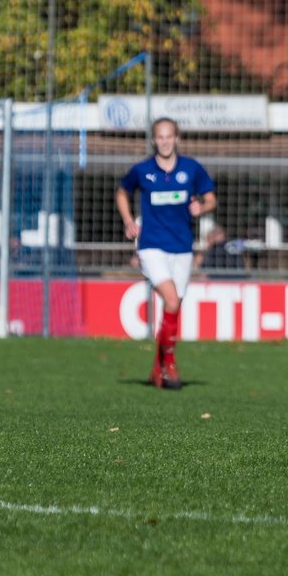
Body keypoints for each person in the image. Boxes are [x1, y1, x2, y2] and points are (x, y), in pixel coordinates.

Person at [116, 117, 217, 390]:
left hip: (182, 247)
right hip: (151, 246)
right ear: (153, 140)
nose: (164, 141)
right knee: (171, 300)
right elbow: (122, 193)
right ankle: (170, 363)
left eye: (169, 136)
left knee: (174, 306)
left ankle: (156, 369)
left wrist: (202, 208)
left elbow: (211, 199)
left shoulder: (191, 169)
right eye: (159, 137)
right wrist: (128, 221)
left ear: (177, 138)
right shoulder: (142, 170)